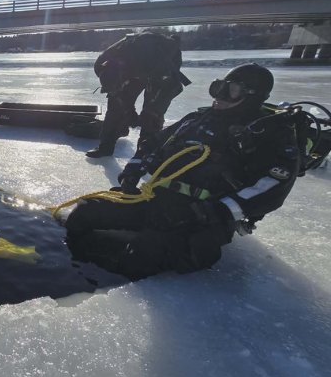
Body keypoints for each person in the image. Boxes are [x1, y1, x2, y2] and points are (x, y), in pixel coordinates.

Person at [66, 63, 302, 280]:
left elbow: (273, 184)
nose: (219, 96)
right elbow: (152, 144)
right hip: (157, 201)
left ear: (253, 96)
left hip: (203, 219)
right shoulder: (198, 119)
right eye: (218, 87)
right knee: (85, 212)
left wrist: (209, 212)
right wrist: (131, 175)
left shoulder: (269, 134)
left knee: (145, 252)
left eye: (231, 91)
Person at [86, 32, 191, 158]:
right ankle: (105, 147)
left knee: (151, 114)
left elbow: (173, 87)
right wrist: (128, 111)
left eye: (122, 84)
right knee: (115, 106)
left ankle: (144, 153)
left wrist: (152, 111)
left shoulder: (154, 62)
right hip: (135, 66)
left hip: (161, 63)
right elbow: (116, 93)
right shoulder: (101, 64)